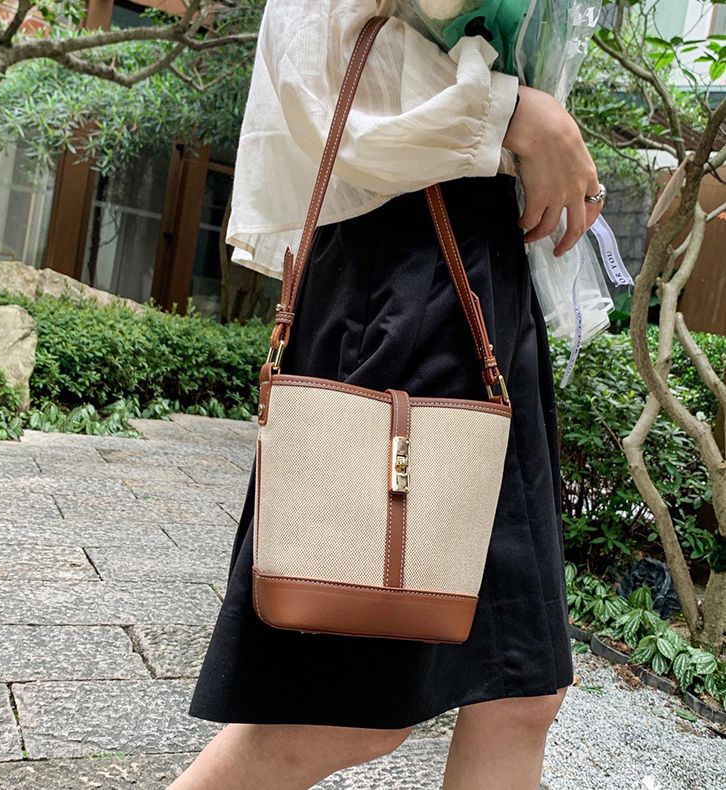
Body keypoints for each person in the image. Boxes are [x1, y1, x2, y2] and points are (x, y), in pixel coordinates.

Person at [170, 2, 604, 788]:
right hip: (403, 265)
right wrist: (511, 113)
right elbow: (317, 51)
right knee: (340, 712)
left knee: (520, 692)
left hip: (483, 279)